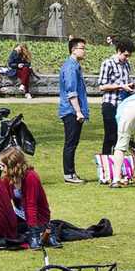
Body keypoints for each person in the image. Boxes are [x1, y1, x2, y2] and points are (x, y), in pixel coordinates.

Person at [96, 37, 135, 156]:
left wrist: (129, 86)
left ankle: (118, 161)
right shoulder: (108, 63)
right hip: (110, 103)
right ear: (119, 51)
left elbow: (125, 82)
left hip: (123, 104)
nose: (127, 58)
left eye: (129, 56)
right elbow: (102, 86)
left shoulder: (126, 65)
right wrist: (121, 86)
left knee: (122, 135)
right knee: (110, 135)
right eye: (125, 55)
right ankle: (106, 162)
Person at [58, 37, 89, 184]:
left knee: (73, 142)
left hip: (73, 110)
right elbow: (71, 91)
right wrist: (78, 111)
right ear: (73, 49)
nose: (84, 51)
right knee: (70, 143)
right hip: (71, 111)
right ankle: (69, 174)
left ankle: (70, 173)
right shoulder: (70, 67)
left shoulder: (74, 65)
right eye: (82, 48)